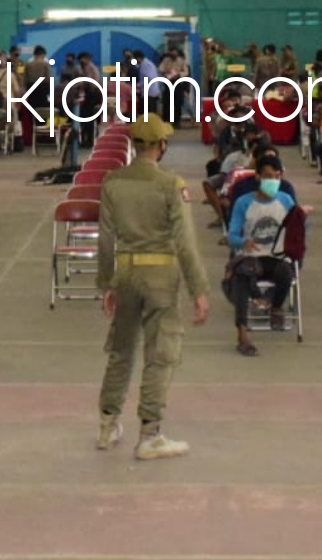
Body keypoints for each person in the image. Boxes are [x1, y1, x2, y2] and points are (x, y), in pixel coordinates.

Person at [96, 115, 211, 460]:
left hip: (127, 275)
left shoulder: (112, 182)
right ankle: (149, 434)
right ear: (161, 146)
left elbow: (105, 239)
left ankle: (107, 424)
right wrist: (198, 289)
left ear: (134, 145)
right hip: (161, 276)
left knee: (121, 350)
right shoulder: (171, 185)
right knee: (160, 355)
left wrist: (107, 284)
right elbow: (185, 242)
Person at [224, 156, 297, 356]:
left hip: (276, 257)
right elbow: (231, 235)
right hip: (251, 256)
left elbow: (296, 230)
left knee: (285, 271)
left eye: (277, 176)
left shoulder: (286, 200)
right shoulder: (243, 203)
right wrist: (242, 242)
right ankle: (242, 333)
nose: (272, 180)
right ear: (257, 177)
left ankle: (275, 307)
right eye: (268, 176)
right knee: (242, 278)